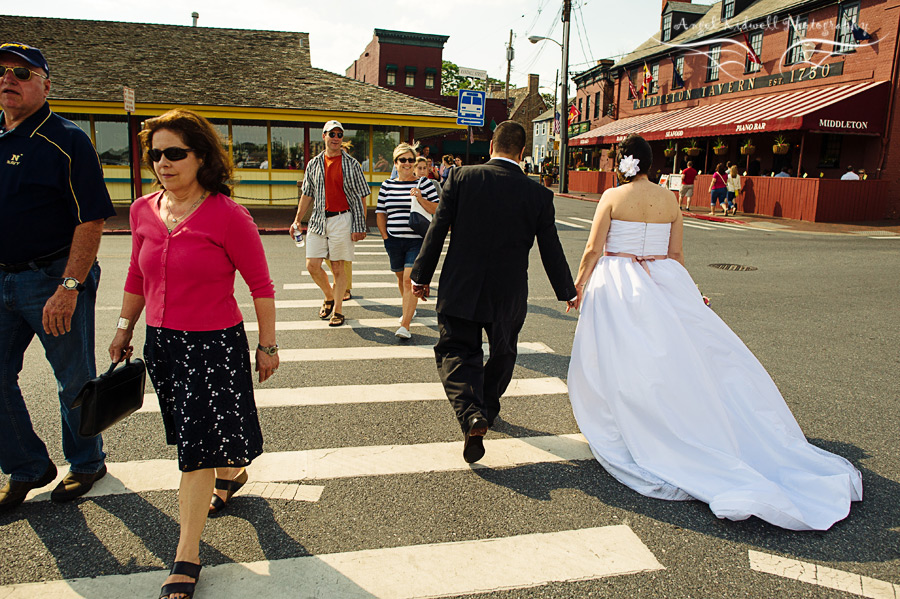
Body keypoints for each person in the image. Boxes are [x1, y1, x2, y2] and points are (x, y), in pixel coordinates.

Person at [567, 133, 862, 531]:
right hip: (664, 277)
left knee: (618, 356)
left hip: (619, 280)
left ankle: (628, 421)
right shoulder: (671, 199)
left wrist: (579, 286)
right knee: (679, 356)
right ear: (651, 164)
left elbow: (592, 249)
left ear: (624, 163)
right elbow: (676, 254)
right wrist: (687, 290)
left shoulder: (612, 198)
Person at [108, 109, 278, 599]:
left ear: (201, 157)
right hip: (164, 346)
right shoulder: (142, 210)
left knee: (194, 448)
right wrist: (124, 328)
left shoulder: (228, 215)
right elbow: (138, 277)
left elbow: (261, 286)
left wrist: (267, 345)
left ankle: (186, 554)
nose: (163, 162)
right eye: (155, 153)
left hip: (213, 344)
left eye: (174, 153)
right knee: (192, 432)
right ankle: (231, 473)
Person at [411, 121, 576, 463]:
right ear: (523, 152)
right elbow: (551, 248)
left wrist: (420, 276)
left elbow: (438, 228)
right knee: (503, 352)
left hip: (461, 285)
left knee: (456, 350)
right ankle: (487, 405)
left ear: (491, 148)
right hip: (508, 292)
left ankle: (472, 413)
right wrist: (566, 291)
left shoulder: (460, 178)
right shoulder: (538, 195)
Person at [0, 42, 115, 513]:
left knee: (73, 379)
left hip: (52, 277)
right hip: (1, 279)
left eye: (22, 73)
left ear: (46, 84)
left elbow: (90, 219)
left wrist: (69, 287)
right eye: (3, 71)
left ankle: (87, 463)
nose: (9, 79)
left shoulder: (66, 139)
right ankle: (27, 466)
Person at [292, 120, 369, 327]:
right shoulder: (314, 164)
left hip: (343, 219)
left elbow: (362, 196)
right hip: (318, 218)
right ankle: (328, 295)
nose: (335, 138)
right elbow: (307, 193)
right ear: (324, 136)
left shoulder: (352, 164)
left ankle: (338, 310)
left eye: (339, 134)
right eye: (331, 134)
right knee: (312, 265)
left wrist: (360, 225)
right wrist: (297, 220)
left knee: (337, 267)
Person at [377, 145, 440, 339]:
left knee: (408, 279)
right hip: (394, 240)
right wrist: (385, 237)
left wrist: (420, 198)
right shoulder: (387, 185)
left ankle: (405, 324)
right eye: (402, 160)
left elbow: (437, 209)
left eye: (410, 160)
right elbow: (381, 213)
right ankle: (409, 308)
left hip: (417, 240)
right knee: (400, 278)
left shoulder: (425, 184)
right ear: (395, 163)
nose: (407, 164)